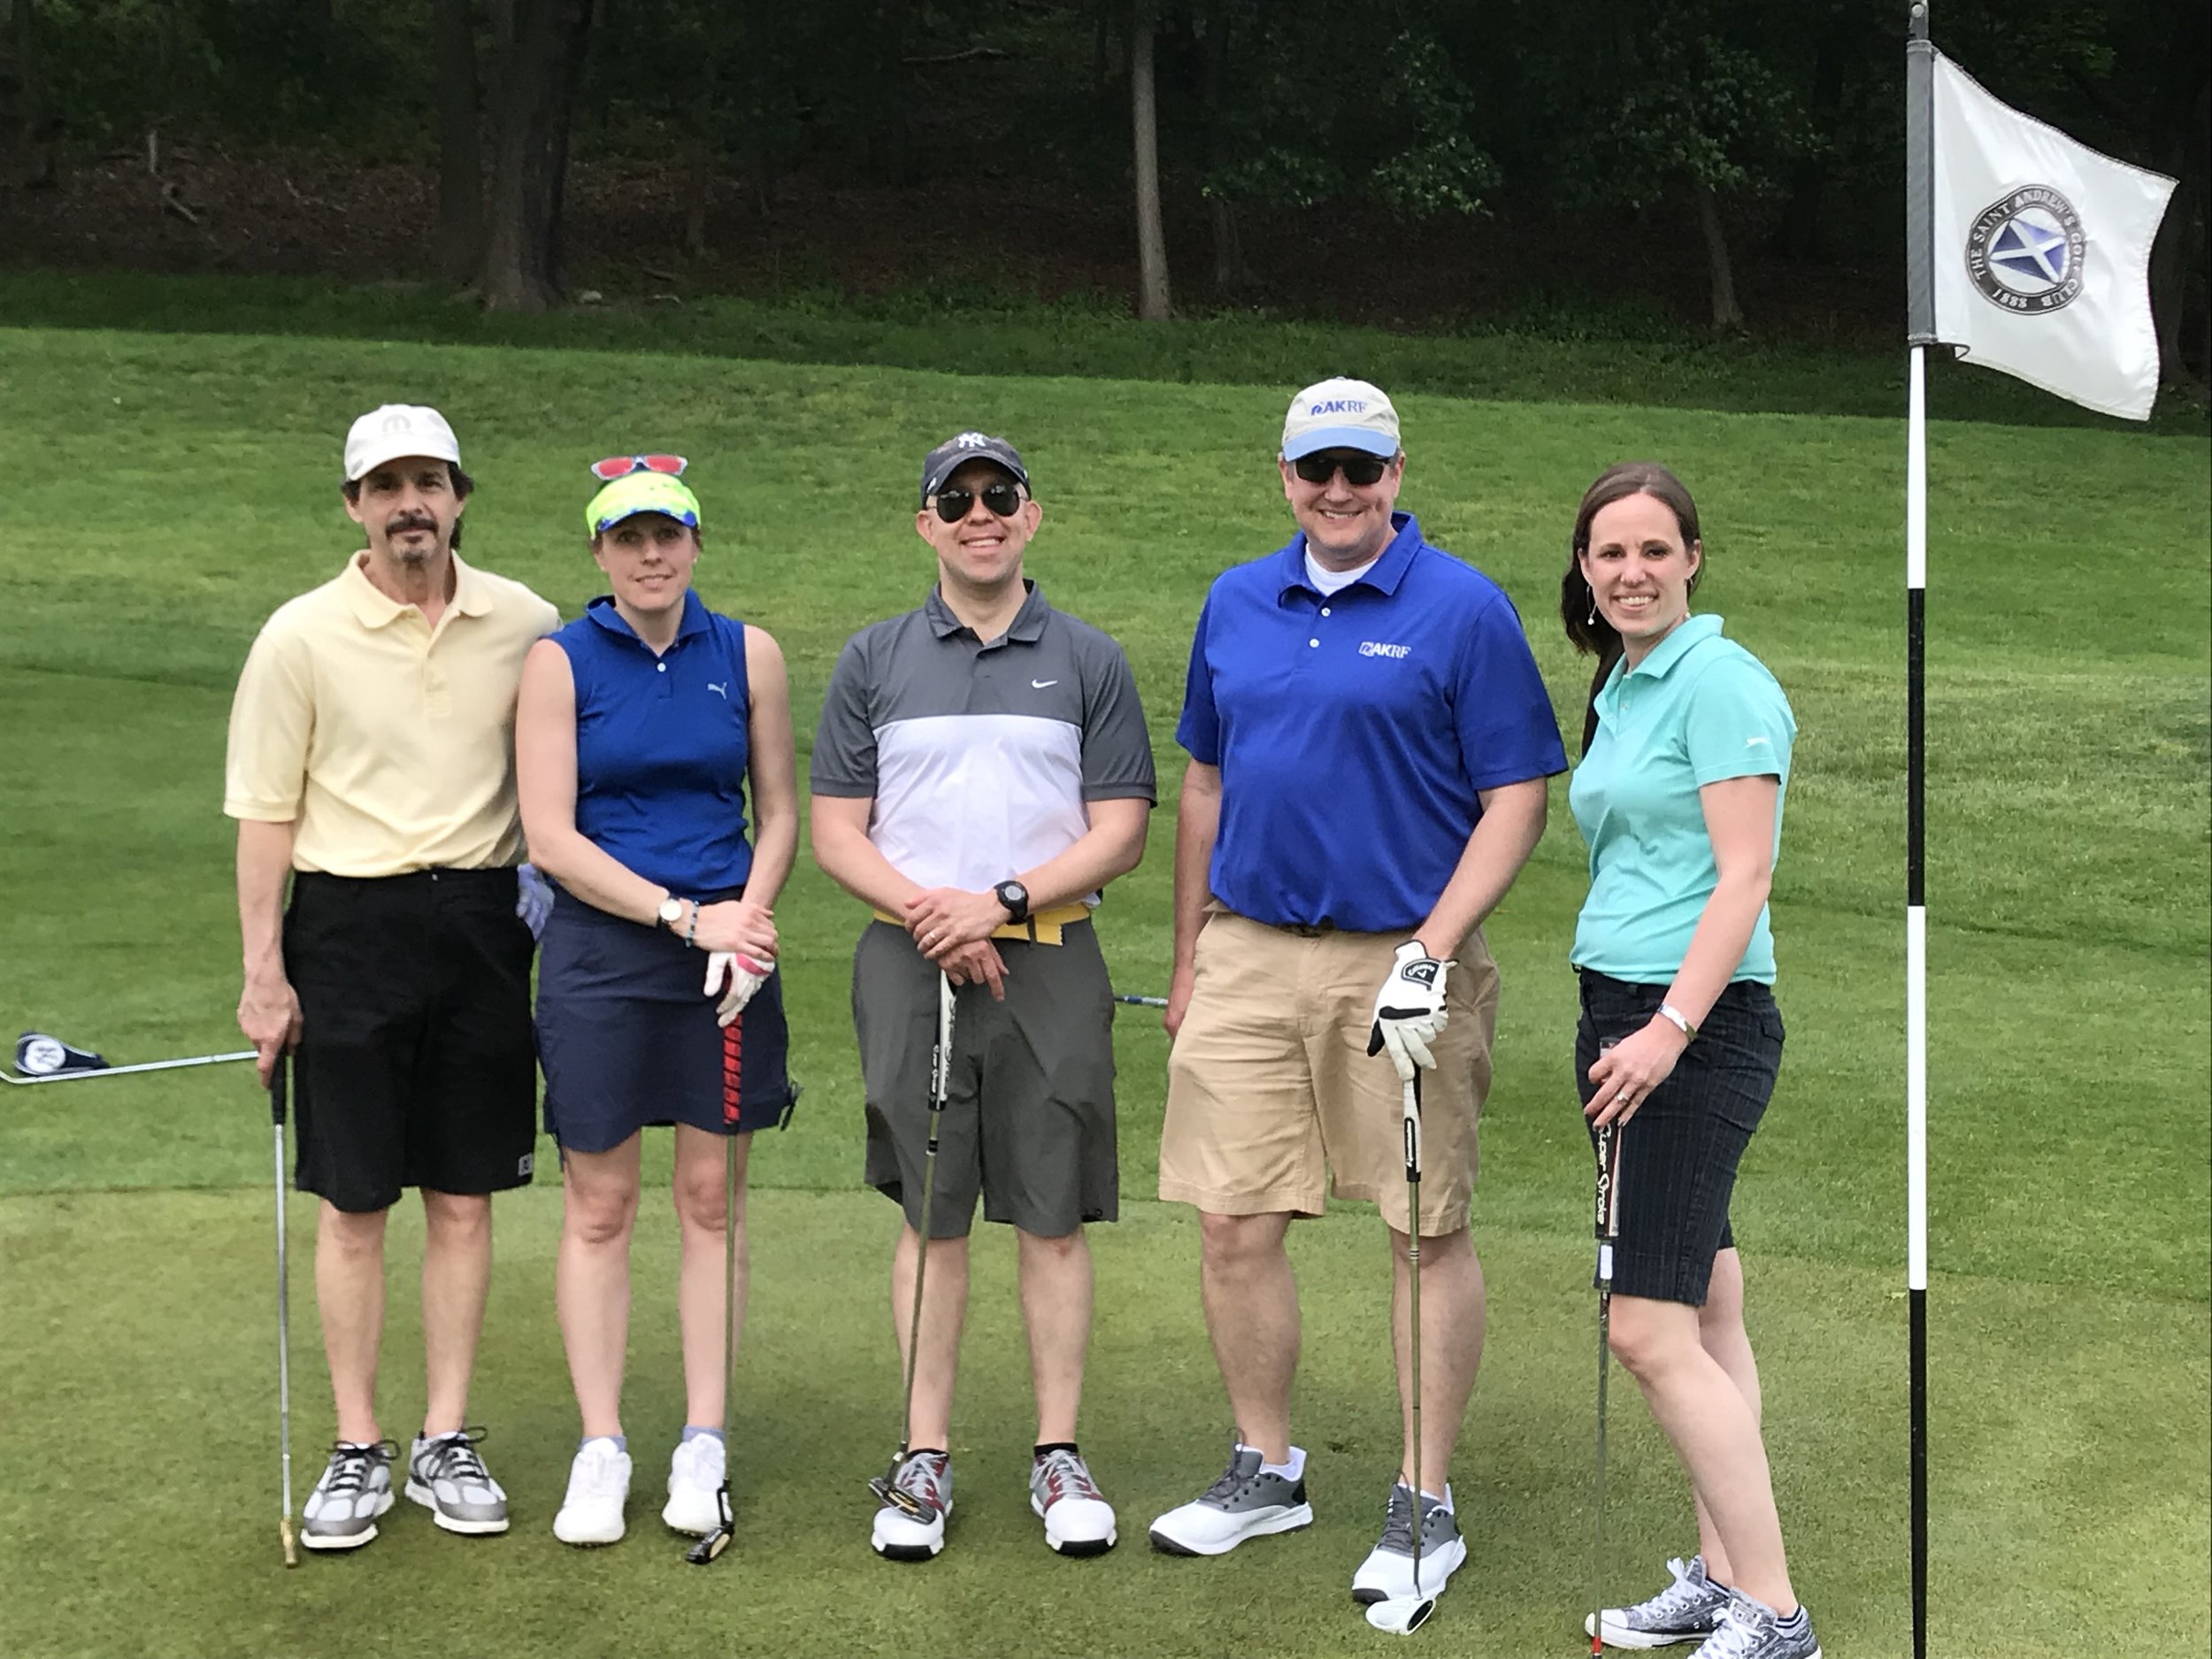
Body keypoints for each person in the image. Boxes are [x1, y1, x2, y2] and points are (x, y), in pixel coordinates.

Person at [1148, 378, 1567, 1609]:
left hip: (1404, 954)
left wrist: (1435, 949)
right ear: (1284, 475)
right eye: (1317, 469)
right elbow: (1206, 784)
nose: (1339, 491)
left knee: (1421, 1226)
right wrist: (1188, 957)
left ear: (1395, 474)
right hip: (1247, 946)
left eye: (1361, 470)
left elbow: (1516, 798)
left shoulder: (1463, 607)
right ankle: (1266, 1466)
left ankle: (1424, 1497)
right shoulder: (1236, 598)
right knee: (1231, 1220)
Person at [810, 431, 1154, 1561]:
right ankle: (924, 1455)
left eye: (998, 495)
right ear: (926, 525)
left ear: (1029, 514)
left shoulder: (1089, 658)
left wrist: (994, 904)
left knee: (1051, 1210)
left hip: (1047, 954)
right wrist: (937, 918)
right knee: (932, 1209)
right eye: (954, 501)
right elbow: (836, 831)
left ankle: (1058, 1453)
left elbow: (1120, 830)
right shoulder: (873, 657)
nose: (979, 515)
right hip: (907, 957)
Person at [227, 403, 560, 1550]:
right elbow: (265, 819)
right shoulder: (298, 636)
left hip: (482, 922)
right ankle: (358, 1443)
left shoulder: (528, 623)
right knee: (356, 1198)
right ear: (354, 506)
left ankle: (445, 1437)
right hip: (347, 925)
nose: (409, 503)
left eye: (428, 482)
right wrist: (264, 975)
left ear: (460, 496)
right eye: (386, 485)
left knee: (465, 1193)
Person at [514, 456, 799, 1548]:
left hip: (726, 956)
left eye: (666, 535)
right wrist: (685, 918)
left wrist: (747, 922)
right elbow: (551, 838)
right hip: (603, 954)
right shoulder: (559, 661)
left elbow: (776, 811)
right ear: (600, 553)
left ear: (693, 543)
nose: (649, 555)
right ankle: (601, 1446)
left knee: (710, 1200)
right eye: (628, 538)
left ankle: (702, 1439)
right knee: (600, 1203)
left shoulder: (748, 652)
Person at [1561, 462, 1818, 1659]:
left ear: (1693, 558)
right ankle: (1723, 1578)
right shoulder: (1622, 682)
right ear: (1585, 568)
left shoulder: (1720, 681)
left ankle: (1773, 1610)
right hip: (1621, 1012)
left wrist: (1666, 1030)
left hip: (1690, 1028)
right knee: (1707, 1303)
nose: (1632, 572)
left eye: (1654, 549)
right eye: (1610, 552)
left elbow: (1745, 874)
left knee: (1647, 1327)